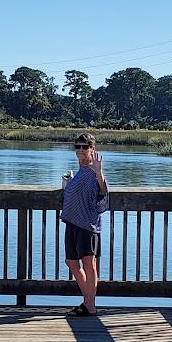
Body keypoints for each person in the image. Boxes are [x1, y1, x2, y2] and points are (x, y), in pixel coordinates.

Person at [61, 132, 110, 317]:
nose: (81, 149)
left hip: (87, 225)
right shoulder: (81, 171)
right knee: (72, 262)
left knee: (89, 264)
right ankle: (88, 303)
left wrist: (99, 172)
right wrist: (69, 183)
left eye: (85, 146)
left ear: (92, 149)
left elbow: (102, 192)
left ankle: (89, 305)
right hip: (72, 222)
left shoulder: (93, 169)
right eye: (78, 146)